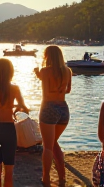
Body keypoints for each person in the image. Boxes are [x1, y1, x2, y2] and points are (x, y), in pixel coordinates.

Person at [0, 58, 29, 187]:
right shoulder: (14, 88)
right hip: (8, 129)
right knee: (9, 172)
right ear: (10, 72)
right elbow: (23, 108)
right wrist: (15, 107)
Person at [34, 45, 72, 187]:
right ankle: (62, 175)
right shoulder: (67, 71)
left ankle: (46, 177)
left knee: (47, 146)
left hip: (49, 108)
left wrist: (37, 73)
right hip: (63, 109)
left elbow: (42, 78)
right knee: (53, 143)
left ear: (47, 56)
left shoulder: (44, 71)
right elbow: (67, 90)